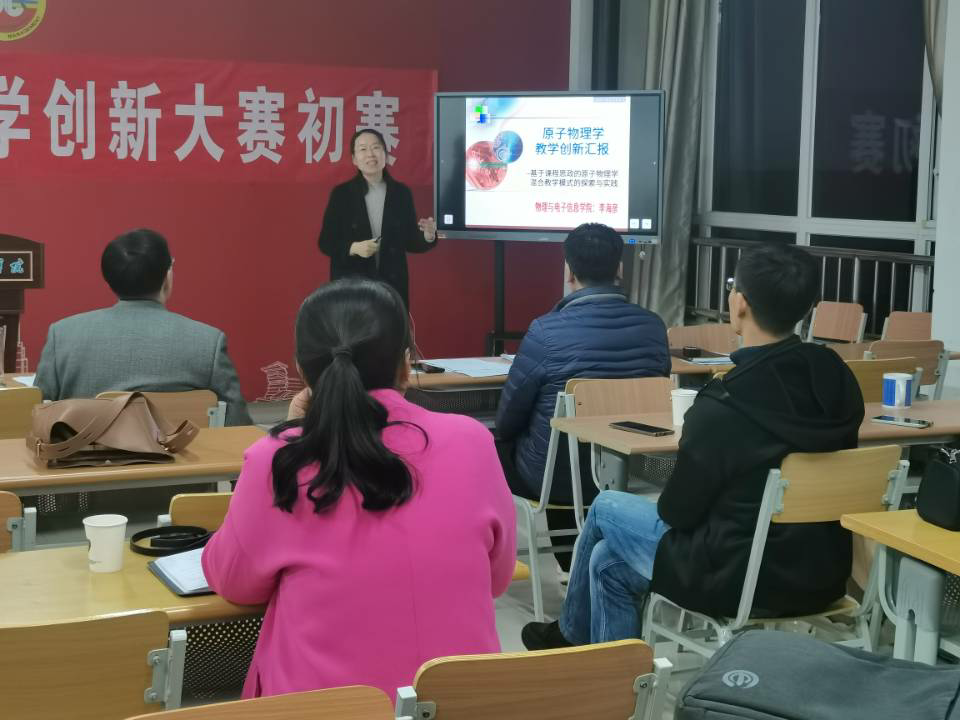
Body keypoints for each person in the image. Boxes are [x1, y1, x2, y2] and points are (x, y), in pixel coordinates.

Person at [521, 242, 865, 649]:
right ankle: (599, 663)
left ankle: (571, 640)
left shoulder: (724, 404)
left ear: (740, 303)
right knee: (607, 561)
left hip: (735, 577)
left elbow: (677, 512)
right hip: (820, 574)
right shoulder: (837, 379)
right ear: (807, 307)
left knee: (605, 506)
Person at [202, 278, 516, 699]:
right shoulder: (472, 440)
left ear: (301, 370)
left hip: (326, 708)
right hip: (463, 703)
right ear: (405, 365)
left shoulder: (278, 458)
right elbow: (497, 578)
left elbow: (233, 581)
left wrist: (298, 428)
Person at [495, 223, 670, 570]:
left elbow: (508, 419)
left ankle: (545, 563)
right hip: (633, 474)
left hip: (556, 480)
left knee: (500, 443)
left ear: (569, 272)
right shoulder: (653, 326)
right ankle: (584, 562)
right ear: (620, 269)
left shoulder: (545, 330)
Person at [34, 228, 252, 426]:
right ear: (167, 276)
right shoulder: (208, 342)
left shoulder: (63, 335)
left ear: (109, 281)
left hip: (83, 457)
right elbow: (238, 424)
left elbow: (36, 417)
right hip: (182, 458)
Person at [317, 128, 437, 307]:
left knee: (391, 325)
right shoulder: (342, 194)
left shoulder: (401, 193)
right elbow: (326, 242)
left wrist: (427, 235)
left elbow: (409, 241)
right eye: (363, 149)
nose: (370, 154)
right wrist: (354, 248)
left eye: (376, 147)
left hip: (392, 287)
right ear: (354, 159)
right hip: (352, 287)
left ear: (385, 155)